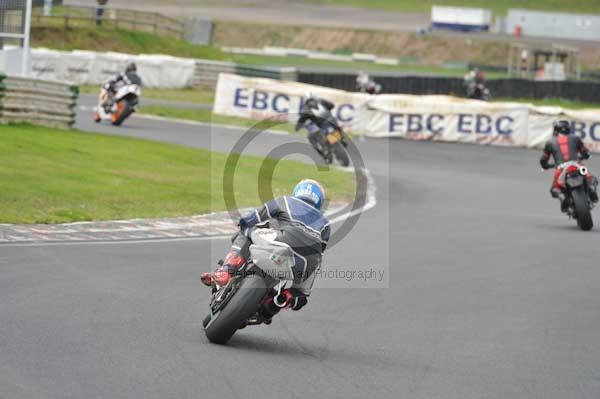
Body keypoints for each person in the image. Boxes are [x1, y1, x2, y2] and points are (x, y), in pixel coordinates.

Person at [201, 179, 330, 317]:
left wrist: (243, 223)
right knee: (302, 292)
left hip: (281, 242)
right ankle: (283, 300)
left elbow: (256, 216)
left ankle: (227, 270)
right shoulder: (325, 223)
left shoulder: (285, 201)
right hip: (304, 263)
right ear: (319, 201)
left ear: (297, 191)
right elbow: (319, 251)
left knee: (246, 233)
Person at [540, 120, 599, 210]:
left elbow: (543, 159)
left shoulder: (550, 143)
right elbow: (585, 152)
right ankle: (591, 189)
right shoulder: (576, 138)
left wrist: (545, 166)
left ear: (556, 130)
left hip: (561, 168)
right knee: (592, 179)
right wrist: (586, 156)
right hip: (577, 165)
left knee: (555, 189)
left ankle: (562, 197)